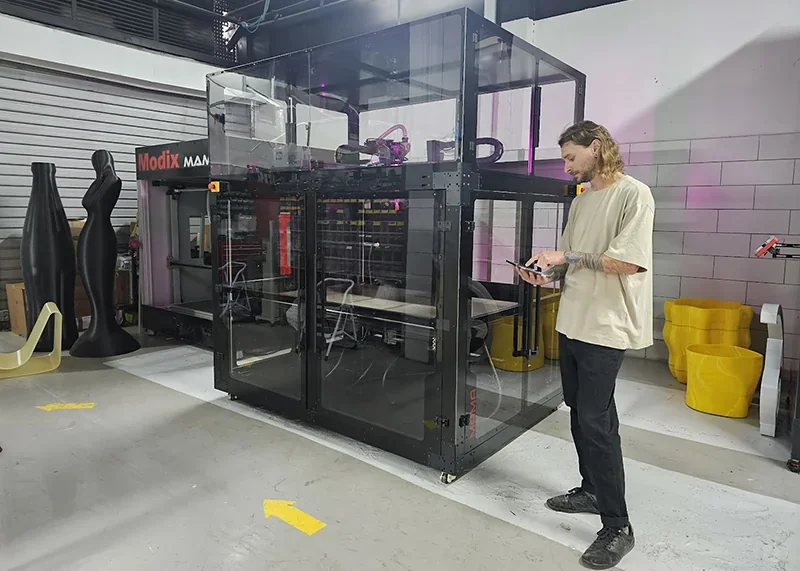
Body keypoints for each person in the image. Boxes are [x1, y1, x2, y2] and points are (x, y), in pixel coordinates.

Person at [516, 120, 654, 570]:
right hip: (573, 321)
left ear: (596, 148)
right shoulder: (582, 201)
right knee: (580, 411)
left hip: (604, 327)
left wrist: (568, 258)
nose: (567, 166)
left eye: (571, 157)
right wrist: (545, 273)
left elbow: (626, 263)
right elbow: (570, 262)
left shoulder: (634, 194)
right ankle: (592, 490)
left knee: (596, 420)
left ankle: (618, 526)